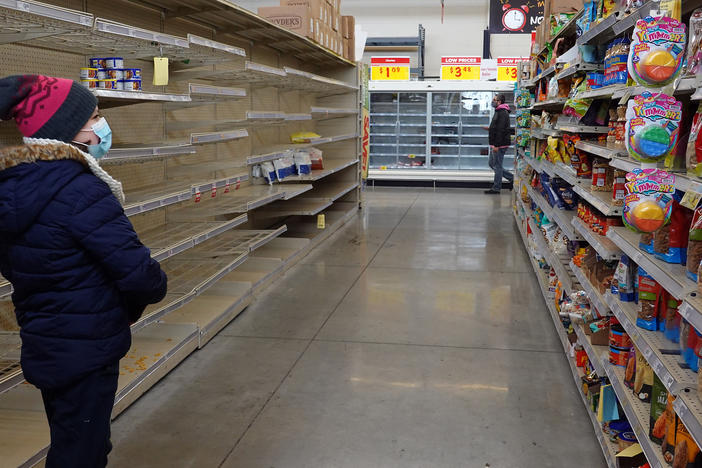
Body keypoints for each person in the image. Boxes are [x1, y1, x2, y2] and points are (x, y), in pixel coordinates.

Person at [0, 75, 168, 468]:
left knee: (70, 435)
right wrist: (137, 299)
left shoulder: (14, 187)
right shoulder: (81, 190)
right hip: (88, 346)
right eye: (94, 117)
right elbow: (140, 275)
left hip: (47, 339)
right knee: (83, 452)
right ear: (64, 130)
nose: (102, 125)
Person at [485, 93, 514, 194]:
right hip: (496, 143)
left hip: (500, 144)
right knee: (492, 164)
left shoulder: (502, 112)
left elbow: (501, 130)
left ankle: (496, 188)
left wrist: (496, 145)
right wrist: (490, 129)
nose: (492, 101)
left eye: (494, 99)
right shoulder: (499, 111)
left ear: (499, 102)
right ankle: (512, 178)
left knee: (497, 166)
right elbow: (497, 127)